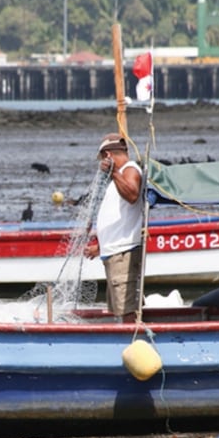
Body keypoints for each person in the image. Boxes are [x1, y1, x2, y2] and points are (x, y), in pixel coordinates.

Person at [83, 133, 144, 319]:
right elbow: (119, 217)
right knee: (117, 309)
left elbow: (132, 195)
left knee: (127, 311)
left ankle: (133, 342)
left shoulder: (130, 170)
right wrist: (100, 247)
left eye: (102, 158)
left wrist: (114, 172)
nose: (101, 164)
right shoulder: (116, 179)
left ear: (108, 155)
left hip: (123, 253)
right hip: (113, 253)